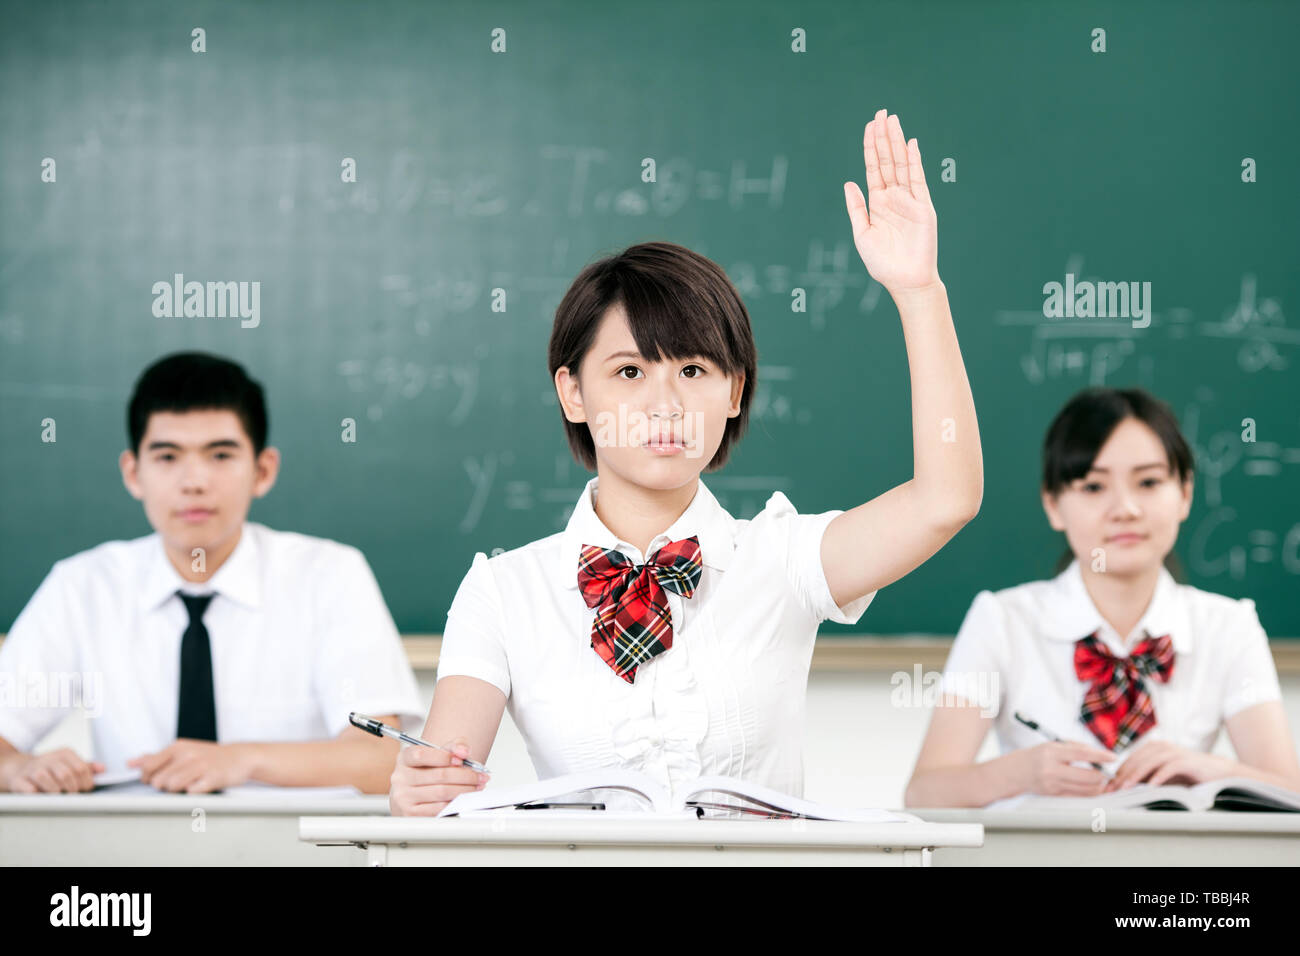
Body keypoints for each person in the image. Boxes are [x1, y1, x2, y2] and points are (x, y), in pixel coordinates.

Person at [391, 109, 983, 815]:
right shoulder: (504, 592)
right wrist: (419, 790)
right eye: (630, 372)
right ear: (572, 392)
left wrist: (920, 293)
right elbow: (437, 794)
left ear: (735, 390)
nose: (665, 404)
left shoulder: (784, 559)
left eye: (695, 371)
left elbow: (946, 500)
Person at [0, 351, 423, 794]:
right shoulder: (82, 586)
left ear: (262, 471)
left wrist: (242, 759)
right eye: (167, 457)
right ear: (133, 473)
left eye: (220, 455)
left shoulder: (330, 575)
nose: (194, 481)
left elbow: (380, 760)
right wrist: (16, 769)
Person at [905, 387, 1300, 808]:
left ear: (1185, 493)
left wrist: (1215, 769)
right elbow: (924, 793)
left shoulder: (1229, 626)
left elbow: (1288, 793)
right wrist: (1021, 773)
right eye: (1093, 487)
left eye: (1148, 482)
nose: (1125, 508)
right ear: (1053, 504)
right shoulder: (1001, 620)